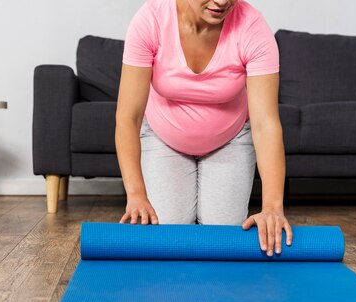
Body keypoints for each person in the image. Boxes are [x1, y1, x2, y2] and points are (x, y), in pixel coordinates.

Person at [115, 0, 293, 256]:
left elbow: (265, 125)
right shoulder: (150, 20)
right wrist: (136, 194)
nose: (222, 2)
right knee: (167, 234)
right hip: (164, 138)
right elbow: (128, 117)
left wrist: (273, 206)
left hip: (230, 140)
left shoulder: (252, 26)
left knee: (223, 238)